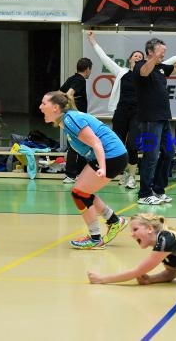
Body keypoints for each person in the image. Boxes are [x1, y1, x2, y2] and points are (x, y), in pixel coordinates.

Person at [87, 31, 176, 190]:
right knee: (119, 143)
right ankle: (124, 174)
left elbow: (171, 62)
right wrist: (92, 41)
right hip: (122, 111)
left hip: (139, 113)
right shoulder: (124, 71)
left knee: (134, 145)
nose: (137, 57)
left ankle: (133, 176)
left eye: (139, 56)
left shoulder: (154, 67)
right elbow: (104, 58)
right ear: (130, 59)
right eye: (135, 56)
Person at [39, 91, 129, 249]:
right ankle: (115, 221)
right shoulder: (67, 120)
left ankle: (95, 238)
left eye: (44, 103)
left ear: (55, 108)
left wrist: (101, 167)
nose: (40, 107)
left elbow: (96, 143)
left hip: (111, 156)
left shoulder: (71, 120)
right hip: (112, 156)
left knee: (79, 193)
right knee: (82, 192)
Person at [133, 38, 176, 205]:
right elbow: (144, 72)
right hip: (150, 119)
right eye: (160, 51)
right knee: (151, 156)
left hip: (164, 118)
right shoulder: (140, 66)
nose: (163, 54)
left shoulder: (160, 68)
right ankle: (144, 193)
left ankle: (158, 190)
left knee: (168, 153)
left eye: (163, 52)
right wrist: (155, 57)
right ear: (150, 51)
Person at [60, 57, 93, 184]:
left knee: (82, 144)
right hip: (77, 119)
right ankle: (71, 175)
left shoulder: (71, 78)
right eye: (90, 70)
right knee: (75, 145)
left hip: (70, 118)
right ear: (87, 69)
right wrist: (74, 110)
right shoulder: (80, 80)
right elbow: (68, 94)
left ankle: (79, 173)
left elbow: (59, 93)